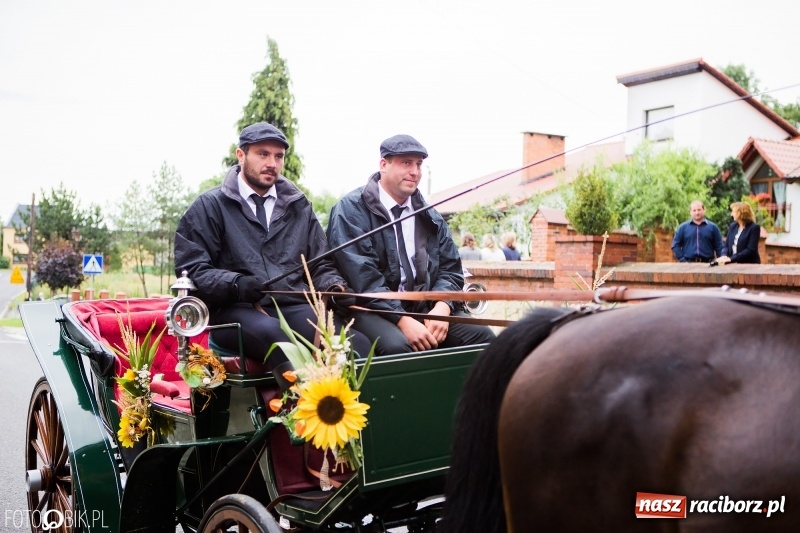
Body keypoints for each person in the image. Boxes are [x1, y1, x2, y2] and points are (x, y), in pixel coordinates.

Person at [174, 122, 370, 370]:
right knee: (281, 340)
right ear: (241, 155)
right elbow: (192, 271)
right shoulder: (209, 206)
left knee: (354, 344)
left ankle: (354, 408)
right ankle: (300, 408)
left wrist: (334, 287)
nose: (272, 164)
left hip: (294, 306)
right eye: (263, 154)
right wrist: (235, 283)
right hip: (233, 313)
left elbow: (319, 263)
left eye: (279, 156)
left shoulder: (298, 206)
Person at [326, 134, 496, 356]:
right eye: (406, 163)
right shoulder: (351, 210)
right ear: (383, 164)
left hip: (426, 307)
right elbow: (363, 279)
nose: (415, 172)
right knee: (399, 348)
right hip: (369, 309)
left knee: (484, 338)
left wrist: (442, 307)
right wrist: (402, 320)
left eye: (418, 164)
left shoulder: (430, 216)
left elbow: (451, 270)